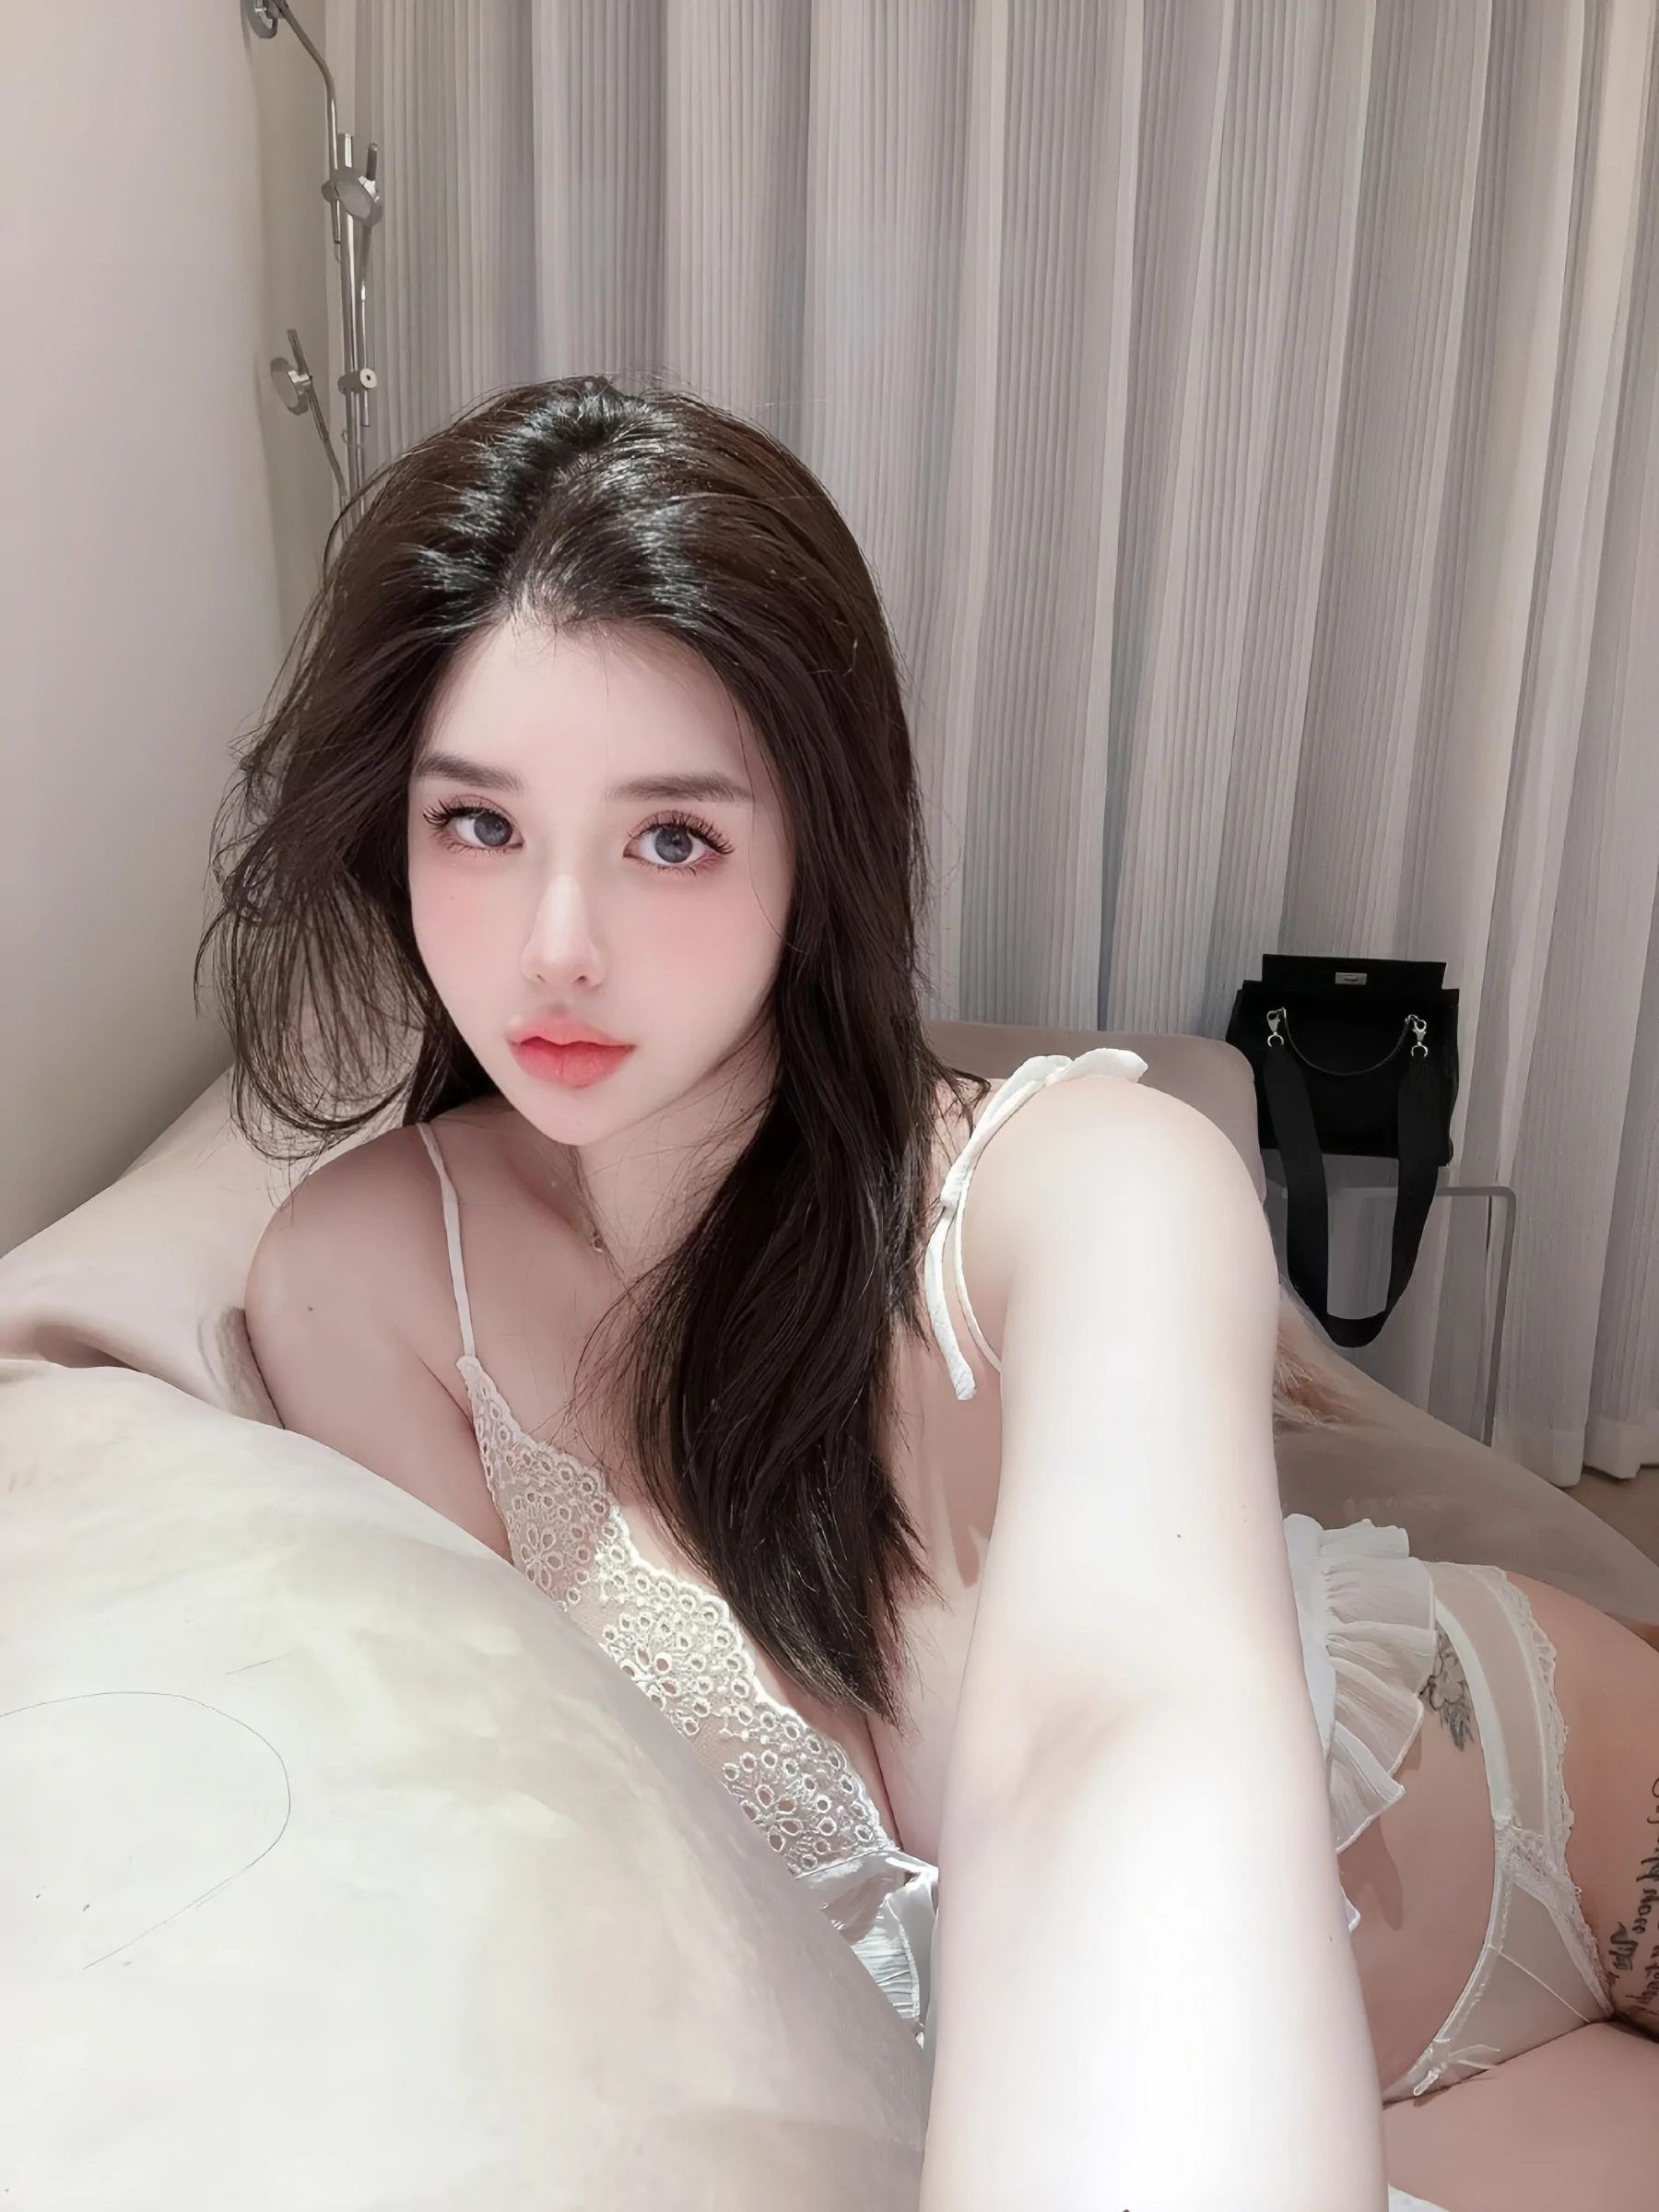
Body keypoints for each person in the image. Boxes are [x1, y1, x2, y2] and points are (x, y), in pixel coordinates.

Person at [204, 375, 1659, 2210]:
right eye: (479, 826)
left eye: (672, 837)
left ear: (817, 849)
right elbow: (533, 1850)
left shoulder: (1090, 1187)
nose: (555, 946)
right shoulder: (365, 1287)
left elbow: (1114, 1734)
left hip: (1532, 1787)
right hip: (1372, 2104)